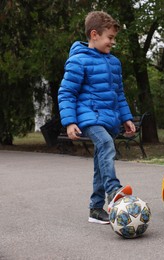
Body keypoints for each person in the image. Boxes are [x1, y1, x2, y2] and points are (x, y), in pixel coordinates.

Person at [58, 11, 136, 224]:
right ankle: (113, 190)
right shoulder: (78, 61)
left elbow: (119, 94)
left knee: (100, 163)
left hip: (109, 119)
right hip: (89, 118)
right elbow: (67, 92)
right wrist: (70, 121)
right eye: (110, 37)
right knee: (106, 144)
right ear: (94, 35)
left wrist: (126, 118)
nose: (113, 42)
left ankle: (95, 208)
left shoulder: (114, 63)